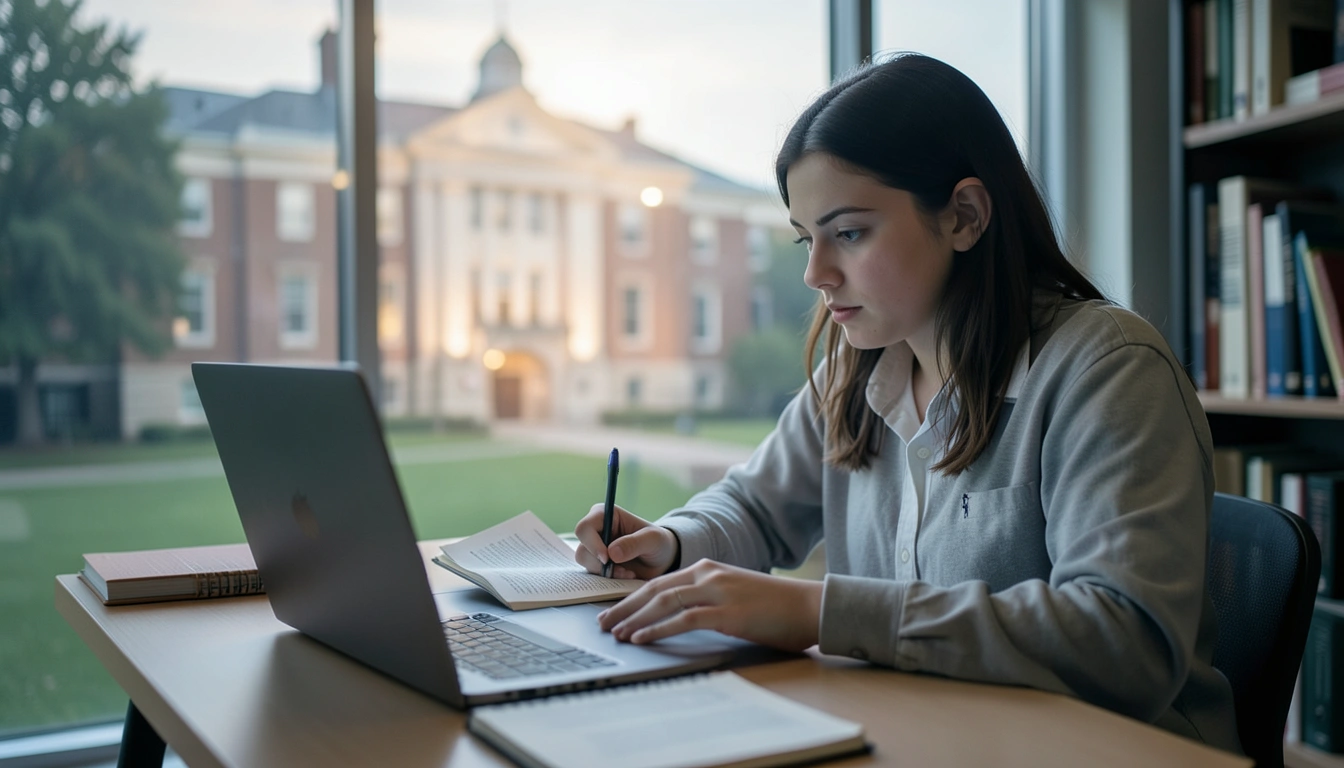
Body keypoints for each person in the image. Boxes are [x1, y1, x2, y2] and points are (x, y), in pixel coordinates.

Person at [572, 53, 1240, 753]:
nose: (815, 273)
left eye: (849, 233)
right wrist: (674, 542)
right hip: (930, 738)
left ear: (964, 216)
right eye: (807, 239)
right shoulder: (852, 372)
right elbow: (754, 507)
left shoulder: (1107, 371)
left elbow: (1122, 641)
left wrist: (823, 611)